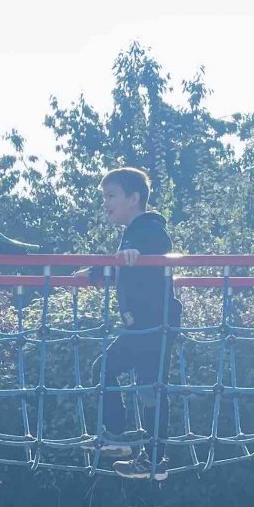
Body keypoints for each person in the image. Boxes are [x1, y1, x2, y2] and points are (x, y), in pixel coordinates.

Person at [94, 166, 175, 481]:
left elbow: (161, 242)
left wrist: (137, 249)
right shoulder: (130, 235)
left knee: (149, 388)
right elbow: (122, 270)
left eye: (111, 196)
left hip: (156, 325)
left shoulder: (148, 227)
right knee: (128, 379)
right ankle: (121, 440)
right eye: (104, 197)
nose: (106, 203)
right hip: (140, 326)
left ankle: (150, 457)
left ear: (134, 198)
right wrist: (92, 274)